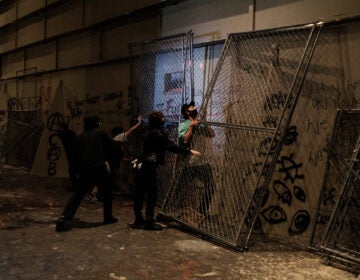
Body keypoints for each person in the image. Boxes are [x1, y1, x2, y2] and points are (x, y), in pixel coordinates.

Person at [130, 111, 201, 231]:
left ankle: (138, 218)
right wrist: (189, 151)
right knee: (152, 193)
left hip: (141, 164)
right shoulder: (158, 134)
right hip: (149, 165)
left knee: (140, 192)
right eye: (163, 118)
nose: (164, 120)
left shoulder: (147, 131)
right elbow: (171, 147)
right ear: (159, 121)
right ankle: (149, 221)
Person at [56, 115, 118, 232]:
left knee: (78, 195)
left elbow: (75, 156)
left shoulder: (81, 137)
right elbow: (112, 146)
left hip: (85, 170)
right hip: (99, 168)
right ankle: (108, 217)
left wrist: (76, 171)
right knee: (107, 192)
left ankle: (64, 217)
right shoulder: (100, 134)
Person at [173, 101, 216, 216]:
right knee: (179, 188)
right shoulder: (183, 125)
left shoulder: (201, 124)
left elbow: (212, 134)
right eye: (192, 107)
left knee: (211, 186)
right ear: (187, 112)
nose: (195, 108)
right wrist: (191, 126)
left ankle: (201, 212)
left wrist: (205, 123)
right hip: (189, 163)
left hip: (202, 163)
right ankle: (170, 208)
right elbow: (185, 140)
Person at [87, 115, 143, 203]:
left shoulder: (116, 141)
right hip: (107, 162)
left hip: (108, 162)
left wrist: (128, 159)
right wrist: (139, 123)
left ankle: (99, 194)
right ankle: (93, 194)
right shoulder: (119, 138)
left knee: (107, 179)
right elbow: (131, 130)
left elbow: (118, 156)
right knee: (103, 179)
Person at [57, 122, 78, 192]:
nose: (58, 130)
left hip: (74, 155)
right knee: (74, 171)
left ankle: (76, 186)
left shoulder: (66, 135)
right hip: (74, 155)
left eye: (59, 128)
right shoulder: (69, 134)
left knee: (72, 171)